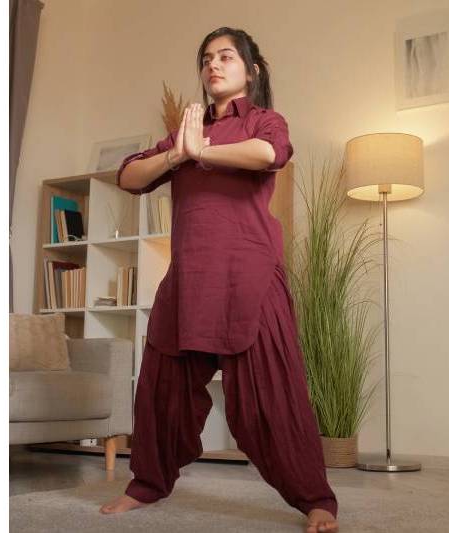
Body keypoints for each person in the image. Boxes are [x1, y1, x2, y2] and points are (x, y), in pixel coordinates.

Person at [99, 27, 339, 533]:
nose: (213, 65)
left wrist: (200, 151)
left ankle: (315, 498)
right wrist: (178, 154)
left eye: (226, 56)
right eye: (207, 58)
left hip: (248, 275)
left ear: (250, 71)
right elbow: (128, 176)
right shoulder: (184, 133)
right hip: (190, 278)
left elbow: (269, 155)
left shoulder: (263, 122)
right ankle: (146, 485)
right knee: (162, 391)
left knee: (273, 396)